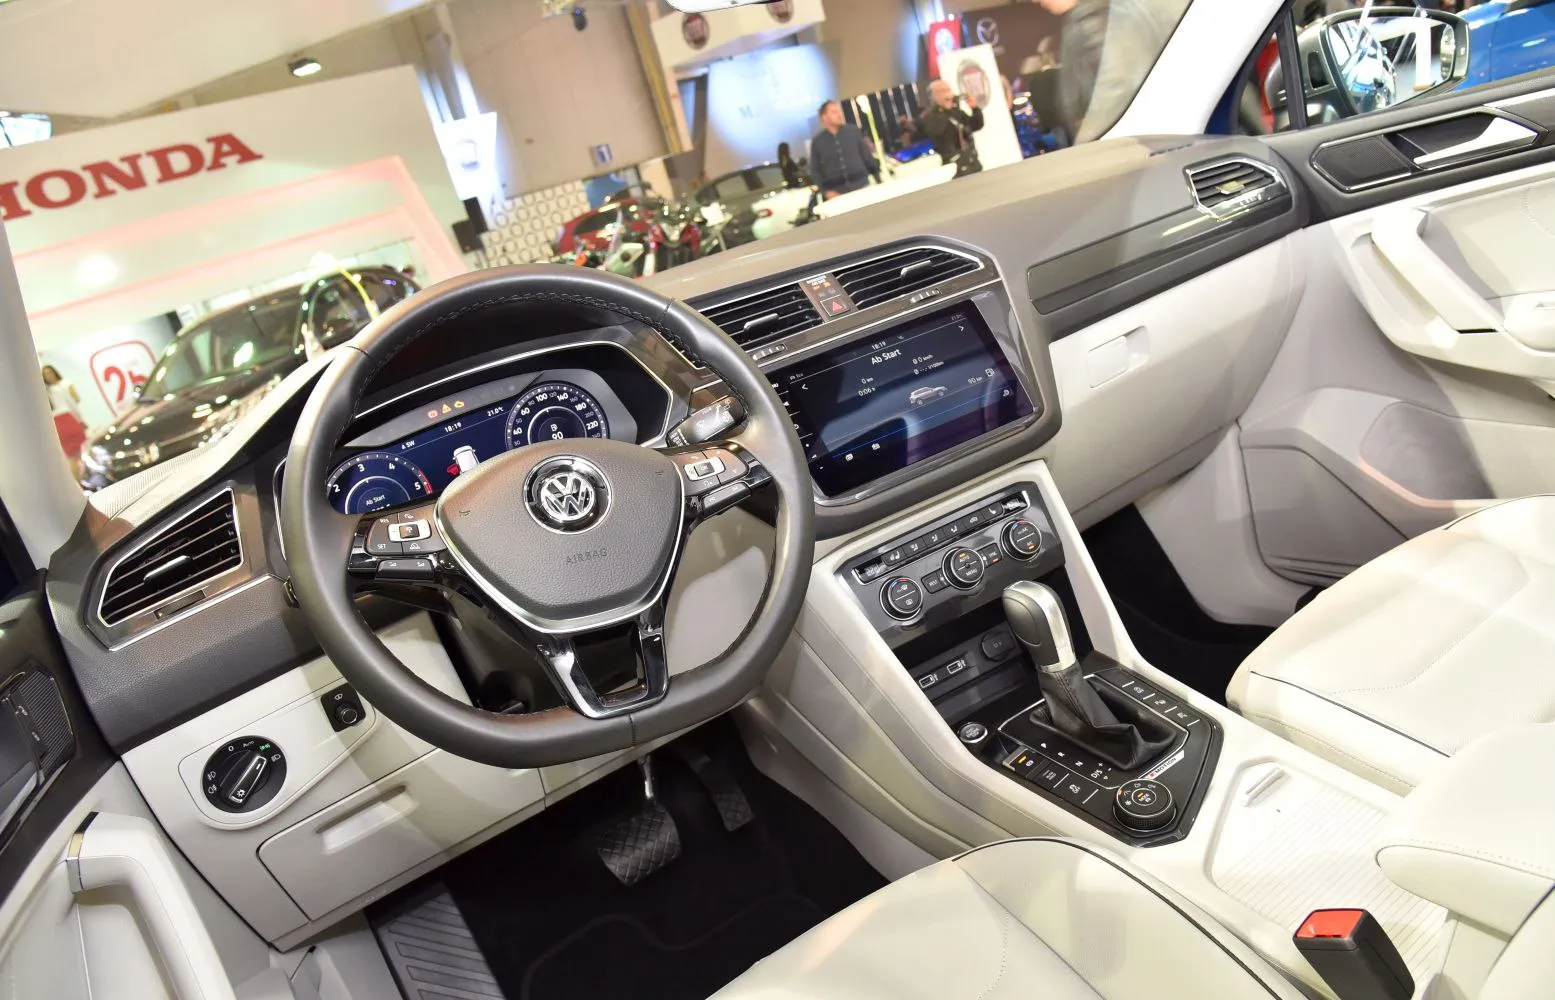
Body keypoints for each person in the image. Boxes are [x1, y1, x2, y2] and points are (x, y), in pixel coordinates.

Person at [1036, 0, 1181, 145]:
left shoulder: (1094, 17)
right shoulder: (1120, 10)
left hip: (1130, 144)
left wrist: (1086, 146)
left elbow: (1116, 88)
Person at [808, 101, 881, 200]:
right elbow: (815, 170)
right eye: (834, 112)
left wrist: (879, 181)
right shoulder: (818, 141)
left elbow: (867, 158)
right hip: (837, 195)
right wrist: (825, 192)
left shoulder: (853, 131)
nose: (839, 115)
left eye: (839, 111)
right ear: (824, 117)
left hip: (862, 188)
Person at [921, 80, 986, 177]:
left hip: (973, 164)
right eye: (943, 91)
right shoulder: (930, 117)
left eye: (948, 89)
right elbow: (938, 131)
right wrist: (944, 109)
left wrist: (975, 109)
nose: (948, 93)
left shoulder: (956, 112)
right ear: (933, 96)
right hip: (954, 170)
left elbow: (976, 125)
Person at [42, 364, 88, 465]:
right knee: (81, 453)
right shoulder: (53, 390)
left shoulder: (48, 392)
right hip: (66, 420)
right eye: (45, 374)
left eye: (49, 372)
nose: (48, 375)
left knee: (74, 457)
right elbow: (72, 403)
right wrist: (81, 420)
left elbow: (75, 400)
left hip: (61, 423)